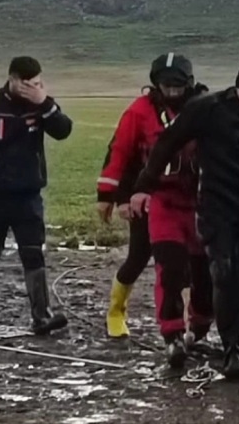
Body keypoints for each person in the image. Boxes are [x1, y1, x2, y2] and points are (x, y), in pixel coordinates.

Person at [134, 57, 239, 379]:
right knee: (222, 271)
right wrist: (144, 184)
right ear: (238, 85)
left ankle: (236, 341)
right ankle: (230, 351)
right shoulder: (209, 109)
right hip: (215, 207)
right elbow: (169, 141)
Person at [98, 52, 211, 368]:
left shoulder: (204, 107)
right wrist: (111, 196)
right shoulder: (140, 112)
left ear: (188, 84)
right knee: (146, 259)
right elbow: (120, 152)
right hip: (149, 197)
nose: (172, 92)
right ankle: (122, 312)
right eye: (165, 85)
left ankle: (199, 324)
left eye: (177, 86)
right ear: (155, 85)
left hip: (197, 201)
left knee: (199, 270)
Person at [0, 56, 72, 335]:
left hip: (28, 196)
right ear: (13, 80)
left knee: (33, 254)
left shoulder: (41, 106)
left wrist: (44, 102)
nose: (34, 87)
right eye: (29, 84)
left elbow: (63, 130)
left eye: (38, 83)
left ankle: (41, 316)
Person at [98, 127, 152, 338]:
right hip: (141, 199)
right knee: (138, 257)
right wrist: (120, 198)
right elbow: (120, 157)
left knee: (183, 262)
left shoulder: (194, 109)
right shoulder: (140, 116)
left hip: (178, 197)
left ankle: (186, 321)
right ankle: (116, 312)